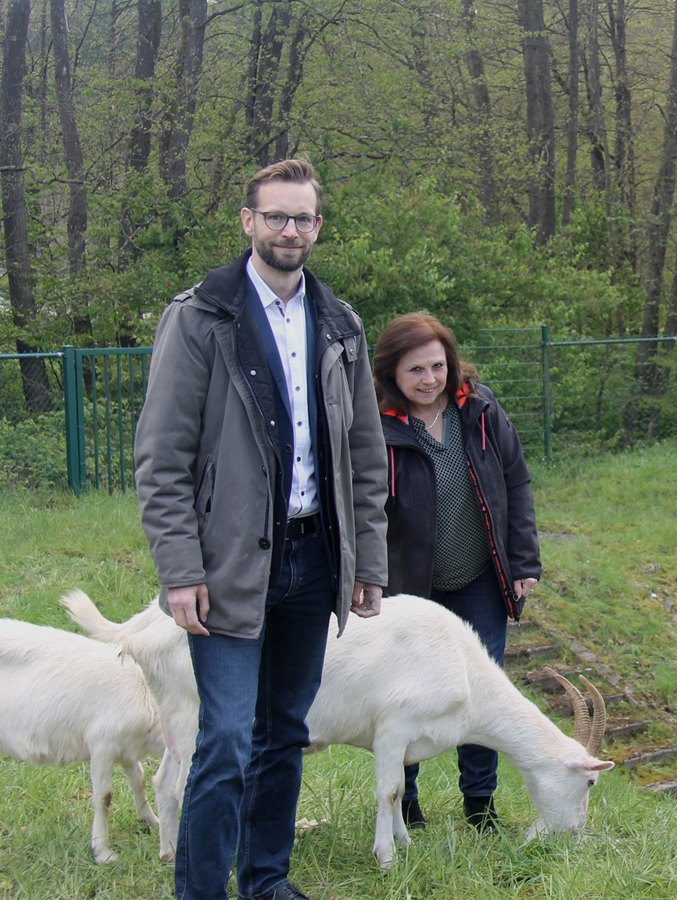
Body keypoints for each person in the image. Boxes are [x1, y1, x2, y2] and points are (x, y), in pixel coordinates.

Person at [134, 158, 389, 900]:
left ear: (318, 226)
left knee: (285, 733)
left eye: (302, 218)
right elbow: (162, 458)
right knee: (224, 741)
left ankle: (267, 882)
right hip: (227, 571)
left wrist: (364, 558)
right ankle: (202, 891)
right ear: (247, 222)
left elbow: (365, 456)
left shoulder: (340, 324)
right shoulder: (201, 318)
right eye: (274, 216)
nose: (289, 230)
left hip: (314, 561)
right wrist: (180, 571)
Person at [372, 311, 541, 833]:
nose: (429, 380)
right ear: (393, 377)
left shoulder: (481, 408)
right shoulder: (376, 426)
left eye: (436, 366)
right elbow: (364, 508)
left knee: (480, 691)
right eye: (415, 370)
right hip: (412, 589)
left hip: (479, 579)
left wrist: (522, 562)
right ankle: (408, 804)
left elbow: (515, 482)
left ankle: (480, 804)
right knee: (409, 694)